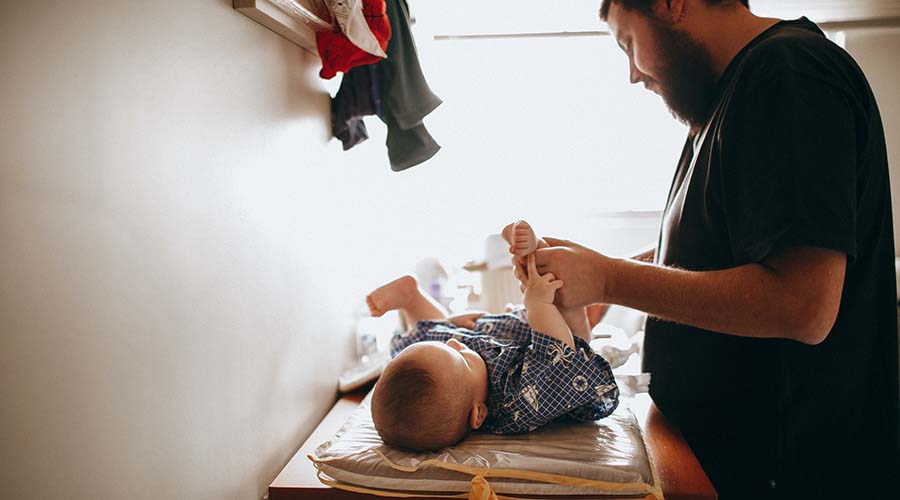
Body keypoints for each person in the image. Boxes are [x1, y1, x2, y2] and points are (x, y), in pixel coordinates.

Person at [513, 1, 900, 498]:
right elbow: (725, 252)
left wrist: (611, 278)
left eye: (629, 44)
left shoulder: (789, 74)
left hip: (794, 473)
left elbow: (804, 306)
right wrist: (595, 274)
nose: (633, 74)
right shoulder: (729, 98)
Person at [367, 221, 618, 451]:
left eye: (452, 345)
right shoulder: (516, 401)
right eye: (461, 357)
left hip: (498, 335)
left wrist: (452, 327)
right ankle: (538, 260)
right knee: (574, 325)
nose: (456, 343)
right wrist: (539, 304)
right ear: (479, 414)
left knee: (421, 348)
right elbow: (559, 356)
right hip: (551, 338)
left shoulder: (460, 380)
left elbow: (446, 349)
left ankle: (412, 298)